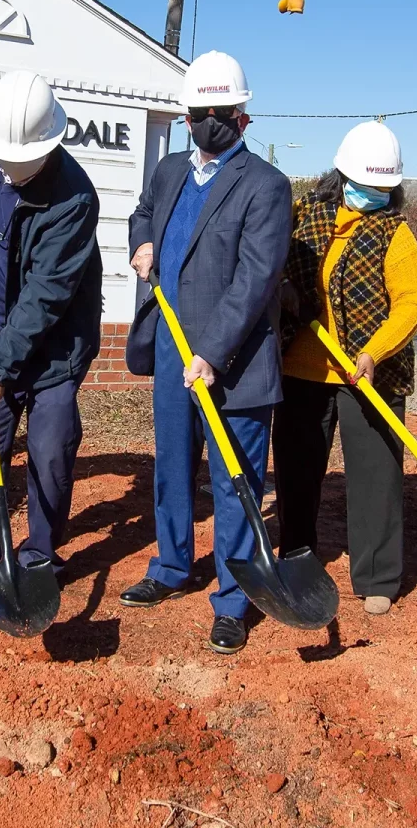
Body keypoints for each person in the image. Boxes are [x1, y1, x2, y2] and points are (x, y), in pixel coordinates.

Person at [122, 50, 292, 655]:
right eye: (199, 113)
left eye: (221, 112)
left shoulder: (266, 187)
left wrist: (213, 352)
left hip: (235, 364)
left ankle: (234, 596)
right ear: (187, 114)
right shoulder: (169, 170)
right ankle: (171, 566)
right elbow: (142, 215)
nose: (208, 122)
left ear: (243, 116)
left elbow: (255, 277)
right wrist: (142, 244)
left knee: (234, 482)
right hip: (172, 351)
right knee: (172, 467)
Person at [0, 72, 103, 603]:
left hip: (53, 346)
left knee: (50, 449)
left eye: (20, 159)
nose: (7, 167)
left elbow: (45, 297)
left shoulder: (74, 200)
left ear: (49, 144)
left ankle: (38, 556)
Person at [273, 121, 417, 616]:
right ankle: (296, 556)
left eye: (384, 190)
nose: (374, 196)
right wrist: (284, 285)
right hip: (304, 370)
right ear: (341, 176)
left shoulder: (396, 233)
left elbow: (412, 301)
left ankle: (378, 576)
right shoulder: (305, 216)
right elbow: (274, 259)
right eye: (366, 186)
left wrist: (373, 351)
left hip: (371, 374)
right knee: (298, 472)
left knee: (377, 476)